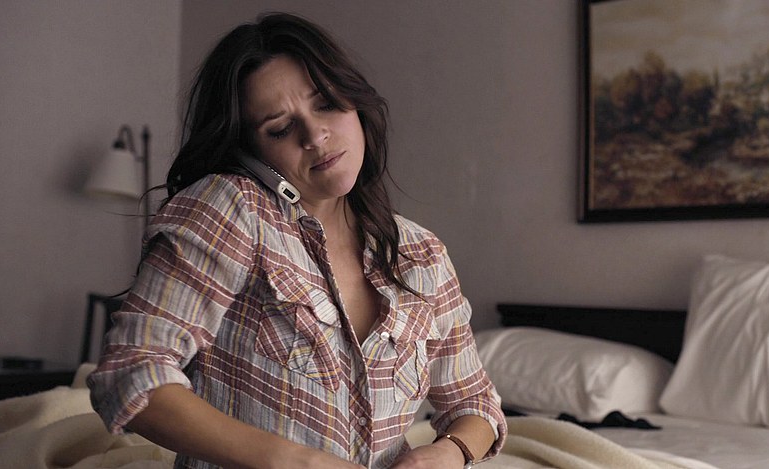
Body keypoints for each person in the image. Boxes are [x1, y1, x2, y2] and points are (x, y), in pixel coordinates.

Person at [87, 12, 506, 469]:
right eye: (280, 128)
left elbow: (475, 403)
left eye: (326, 104)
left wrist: (448, 452)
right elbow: (132, 371)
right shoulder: (231, 207)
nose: (316, 135)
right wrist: (294, 461)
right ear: (251, 151)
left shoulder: (421, 253)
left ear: (356, 104)